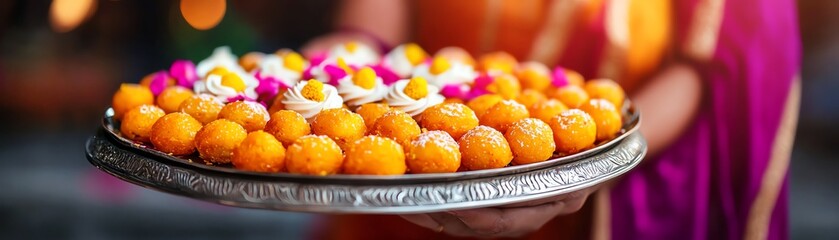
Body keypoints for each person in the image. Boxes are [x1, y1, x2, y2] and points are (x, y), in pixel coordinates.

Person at [302, 0, 801, 239]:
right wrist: (352, 53)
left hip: (590, 208)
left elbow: (724, 52)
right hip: (407, 177)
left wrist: (594, 162)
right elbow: (375, 22)